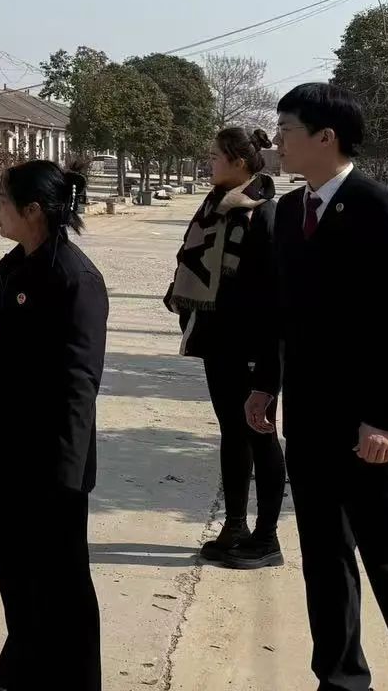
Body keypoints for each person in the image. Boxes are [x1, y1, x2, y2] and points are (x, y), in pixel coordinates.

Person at [247, 84, 388, 691]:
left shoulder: (382, 210)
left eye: (287, 129)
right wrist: (265, 383)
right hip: (310, 420)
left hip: (370, 427)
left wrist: (384, 419)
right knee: (324, 559)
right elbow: (280, 310)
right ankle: (341, 679)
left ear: (326, 137)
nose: (278, 142)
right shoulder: (289, 213)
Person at [0, 160, 108, 691]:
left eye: (3, 200)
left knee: (64, 580)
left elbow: (79, 383)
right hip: (5, 447)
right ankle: (21, 670)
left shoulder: (74, 279)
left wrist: (67, 470)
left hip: (49, 459)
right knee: (16, 571)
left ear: (33, 211)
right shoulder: (8, 269)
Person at [165, 127, 284, 568]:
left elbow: (276, 300)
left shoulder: (263, 215)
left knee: (261, 436)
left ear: (239, 162)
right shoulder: (213, 207)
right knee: (232, 435)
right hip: (219, 343)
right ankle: (234, 526)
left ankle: (267, 538)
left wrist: (269, 371)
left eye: (215, 155)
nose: (209, 160)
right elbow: (192, 259)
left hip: (253, 348)